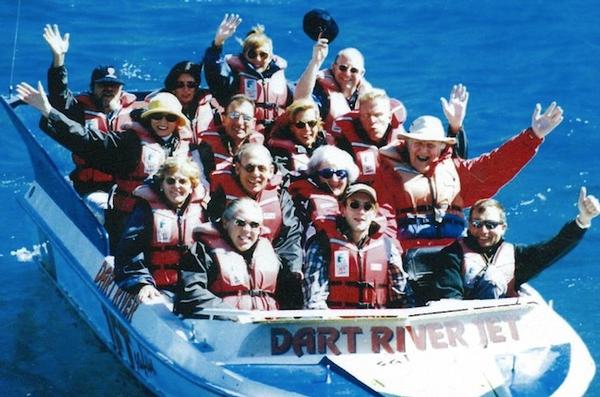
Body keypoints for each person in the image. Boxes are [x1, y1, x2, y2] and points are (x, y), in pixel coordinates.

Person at [16, 82, 190, 249]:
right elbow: (85, 138)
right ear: (148, 118)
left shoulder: (184, 146)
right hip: (131, 219)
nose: (163, 122)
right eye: (157, 116)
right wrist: (49, 111)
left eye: (170, 117)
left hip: (170, 218)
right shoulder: (129, 143)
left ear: (178, 122)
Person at [373, 102, 564, 251]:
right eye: (418, 143)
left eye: (430, 145)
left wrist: (533, 136)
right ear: (407, 145)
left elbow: (496, 165)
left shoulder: (456, 172)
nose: (423, 150)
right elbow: (383, 220)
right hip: (407, 258)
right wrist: (393, 257)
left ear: (442, 148)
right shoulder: (389, 175)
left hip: (452, 261)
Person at [42, 24, 143, 216]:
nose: (108, 89)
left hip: (128, 187)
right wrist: (58, 60)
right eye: (102, 85)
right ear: (92, 87)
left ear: (121, 90)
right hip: (92, 188)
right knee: (105, 209)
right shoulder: (80, 111)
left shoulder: (135, 114)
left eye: (113, 86)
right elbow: (59, 96)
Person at [430, 188, 600, 300]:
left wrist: (583, 219)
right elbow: (449, 299)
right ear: (469, 224)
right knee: (492, 278)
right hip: (465, 327)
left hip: (504, 326)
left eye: (490, 225)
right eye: (477, 224)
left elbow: (552, 249)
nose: (483, 231)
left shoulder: (515, 256)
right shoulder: (452, 255)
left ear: (503, 228)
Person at [207, 143, 303, 308]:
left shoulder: (281, 198)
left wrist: (292, 268)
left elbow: (290, 238)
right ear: (238, 168)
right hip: (230, 268)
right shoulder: (222, 194)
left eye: (262, 169)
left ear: (271, 171)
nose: (255, 174)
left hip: (270, 268)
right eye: (249, 168)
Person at [303, 184, 412, 309]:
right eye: (354, 205)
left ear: (375, 212)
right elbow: (314, 301)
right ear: (343, 209)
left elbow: (402, 296)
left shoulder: (388, 247)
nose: (361, 212)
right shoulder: (322, 244)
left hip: (380, 324)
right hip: (336, 325)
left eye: (367, 207)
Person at [113, 157, 208, 302]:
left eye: (183, 181)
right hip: (158, 288)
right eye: (170, 181)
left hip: (192, 290)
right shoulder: (145, 211)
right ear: (162, 184)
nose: (176, 186)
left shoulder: (202, 213)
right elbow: (129, 252)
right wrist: (142, 284)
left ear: (191, 187)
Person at [332, 85, 469, 184]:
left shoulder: (408, 146)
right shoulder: (346, 144)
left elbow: (454, 162)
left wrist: (455, 126)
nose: (372, 121)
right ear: (359, 117)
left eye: (378, 115)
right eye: (366, 115)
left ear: (389, 117)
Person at [175, 198, 281, 313]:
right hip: (222, 325)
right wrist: (231, 313)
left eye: (254, 225)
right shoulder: (203, 252)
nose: (247, 230)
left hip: (266, 325)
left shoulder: (269, 253)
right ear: (225, 222)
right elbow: (190, 292)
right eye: (240, 223)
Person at [203, 14, 293, 134]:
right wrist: (217, 44)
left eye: (263, 55)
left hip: (276, 132)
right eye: (252, 54)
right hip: (244, 132)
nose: (258, 59)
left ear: (271, 56)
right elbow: (214, 73)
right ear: (244, 55)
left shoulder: (280, 77)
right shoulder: (234, 77)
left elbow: (301, 99)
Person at [295, 40, 373, 130]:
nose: (347, 74)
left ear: (362, 73)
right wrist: (315, 61)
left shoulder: (367, 94)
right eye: (343, 68)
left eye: (353, 70)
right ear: (334, 67)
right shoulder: (320, 91)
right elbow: (300, 99)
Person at [193, 94, 263, 184]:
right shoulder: (207, 149)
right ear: (224, 119)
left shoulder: (260, 150)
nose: (240, 122)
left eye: (246, 118)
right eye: (234, 115)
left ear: (253, 123)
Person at [155, 60, 221, 141]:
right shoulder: (159, 109)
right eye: (180, 85)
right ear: (173, 88)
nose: (186, 89)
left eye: (191, 85)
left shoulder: (211, 107)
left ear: (196, 88)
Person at [267, 98, 334, 175]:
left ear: (318, 124)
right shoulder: (281, 153)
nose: (307, 129)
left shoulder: (328, 145)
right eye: (300, 124)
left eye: (311, 123)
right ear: (291, 128)